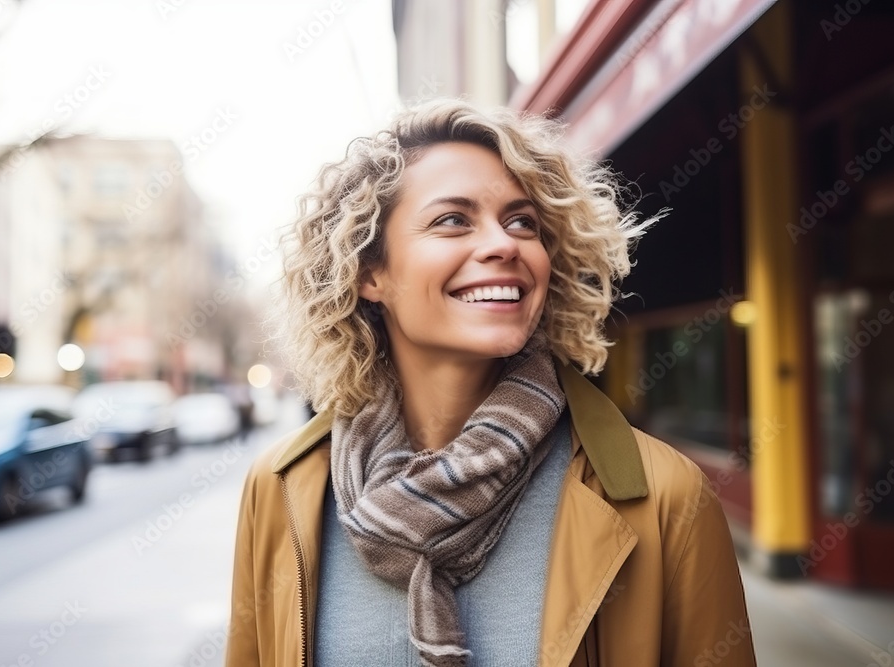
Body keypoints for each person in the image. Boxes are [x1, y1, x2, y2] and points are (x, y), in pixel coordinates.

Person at [225, 99, 756, 667]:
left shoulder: (665, 498)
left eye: (522, 221)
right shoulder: (280, 490)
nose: (504, 244)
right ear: (370, 273)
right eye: (453, 220)